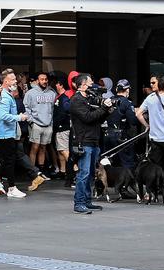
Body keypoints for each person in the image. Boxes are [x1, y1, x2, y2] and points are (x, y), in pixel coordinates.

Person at [0, 69, 46, 198]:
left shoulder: (5, 94)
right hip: (4, 133)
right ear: (6, 81)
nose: (16, 81)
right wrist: (19, 117)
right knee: (10, 160)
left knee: (9, 158)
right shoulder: (4, 96)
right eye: (13, 79)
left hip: (4, 132)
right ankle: (11, 188)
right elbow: (4, 116)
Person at [70, 73, 113, 214]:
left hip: (93, 140)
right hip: (83, 142)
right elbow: (88, 117)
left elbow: (98, 119)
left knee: (90, 174)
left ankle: (87, 201)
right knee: (83, 173)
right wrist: (103, 108)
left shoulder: (89, 99)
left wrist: (107, 109)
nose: (93, 85)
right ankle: (79, 203)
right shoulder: (76, 100)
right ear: (82, 85)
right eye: (90, 83)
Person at [24, 72, 56, 174]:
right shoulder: (30, 93)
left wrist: (51, 122)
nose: (44, 81)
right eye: (42, 79)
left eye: (45, 79)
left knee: (43, 147)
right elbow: (26, 107)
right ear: (37, 81)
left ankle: (41, 171)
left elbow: (53, 109)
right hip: (36, 124)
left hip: (48, 124)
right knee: (35, 147)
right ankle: (32, 172)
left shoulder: (52, 93)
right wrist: (31, 121)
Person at [105, 79, 139, 169]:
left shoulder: (109, 100)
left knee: (112, 162)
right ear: (127, 90)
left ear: (116, 89)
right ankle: (128, 182)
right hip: (121, 136)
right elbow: (133, 121)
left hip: (108, 134)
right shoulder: (126, 103)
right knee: (127, 162)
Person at [52, 75, 71, 179]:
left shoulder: (64, 98)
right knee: (60, 150)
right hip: (59, 127)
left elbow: (64, 112)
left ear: (61, 85)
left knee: (64, 150)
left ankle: (75, 169)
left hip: (62, 127)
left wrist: (56, 122)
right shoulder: (59, 97)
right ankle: (63, 171)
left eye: (57, 83)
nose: (55, 85)